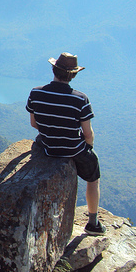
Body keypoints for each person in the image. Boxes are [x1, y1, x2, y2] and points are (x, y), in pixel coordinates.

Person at [26, 52, 106, 236]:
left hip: (47, 145)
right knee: (93, 177)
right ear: (73, 75)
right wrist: (88, 146)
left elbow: (34, 124)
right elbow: (88, 133)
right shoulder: (80, 99)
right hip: (73, 149)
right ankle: (93, 223)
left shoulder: (36, 93)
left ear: (53, 70)